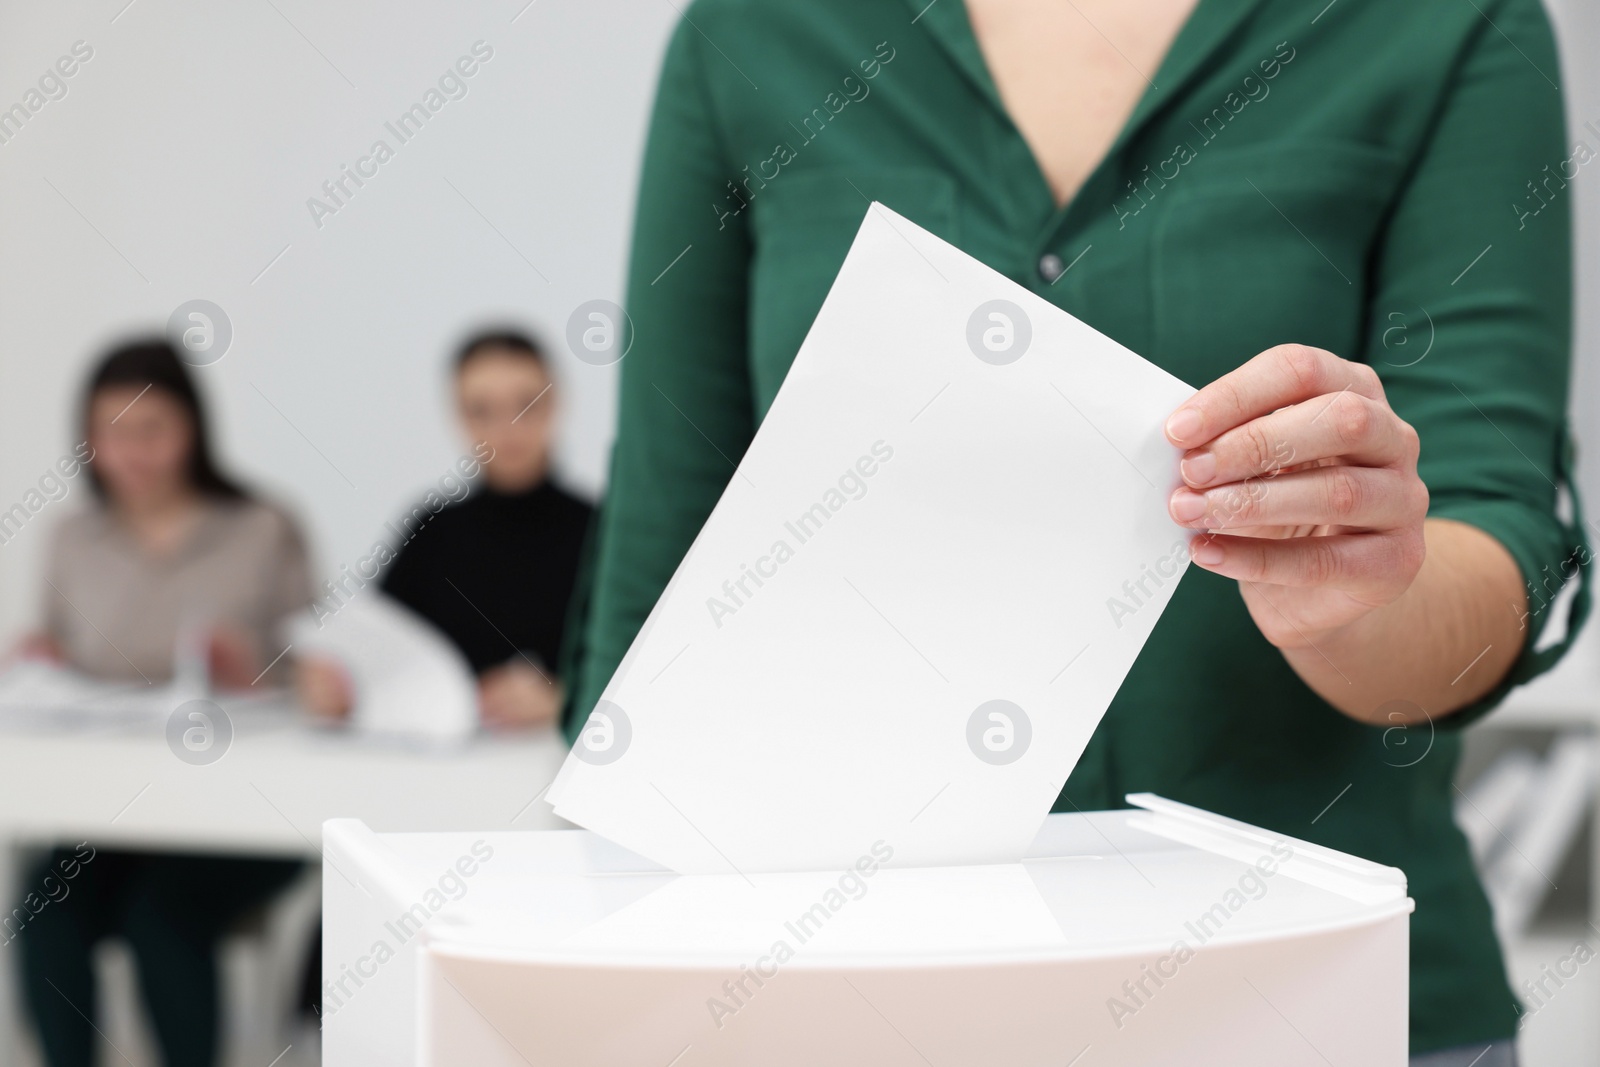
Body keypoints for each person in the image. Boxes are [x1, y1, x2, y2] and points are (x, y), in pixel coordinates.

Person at [562, 2, 1589, 1064]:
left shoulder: (1442, 22)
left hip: (1325, 1008)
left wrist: (1349, 595)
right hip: (848, 1008)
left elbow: (1488, 532)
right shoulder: (756, 32)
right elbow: (660, 572)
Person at [18, 339, 310, 1067]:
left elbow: (319, 679)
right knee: (44, 909)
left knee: (161, 918)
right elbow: (59, 663)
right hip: (113, 812)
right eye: (113, 432)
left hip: (238, 813)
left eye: (152, 431)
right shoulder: (70, 539)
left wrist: (258, 673)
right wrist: (39, 663)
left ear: (192, 430)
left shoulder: (263, 526)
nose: (133, 453)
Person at [298, 329, 593, 728]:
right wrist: (341, 684)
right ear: (457, 416)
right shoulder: (433, 532)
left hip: (562, 765)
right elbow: (379, 651)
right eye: (482, 410)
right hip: (440, 774)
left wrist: (571, 698)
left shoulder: (604, 533)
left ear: (556, 404)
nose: (508, 427)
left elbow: (648, 664)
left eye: (526, 404)